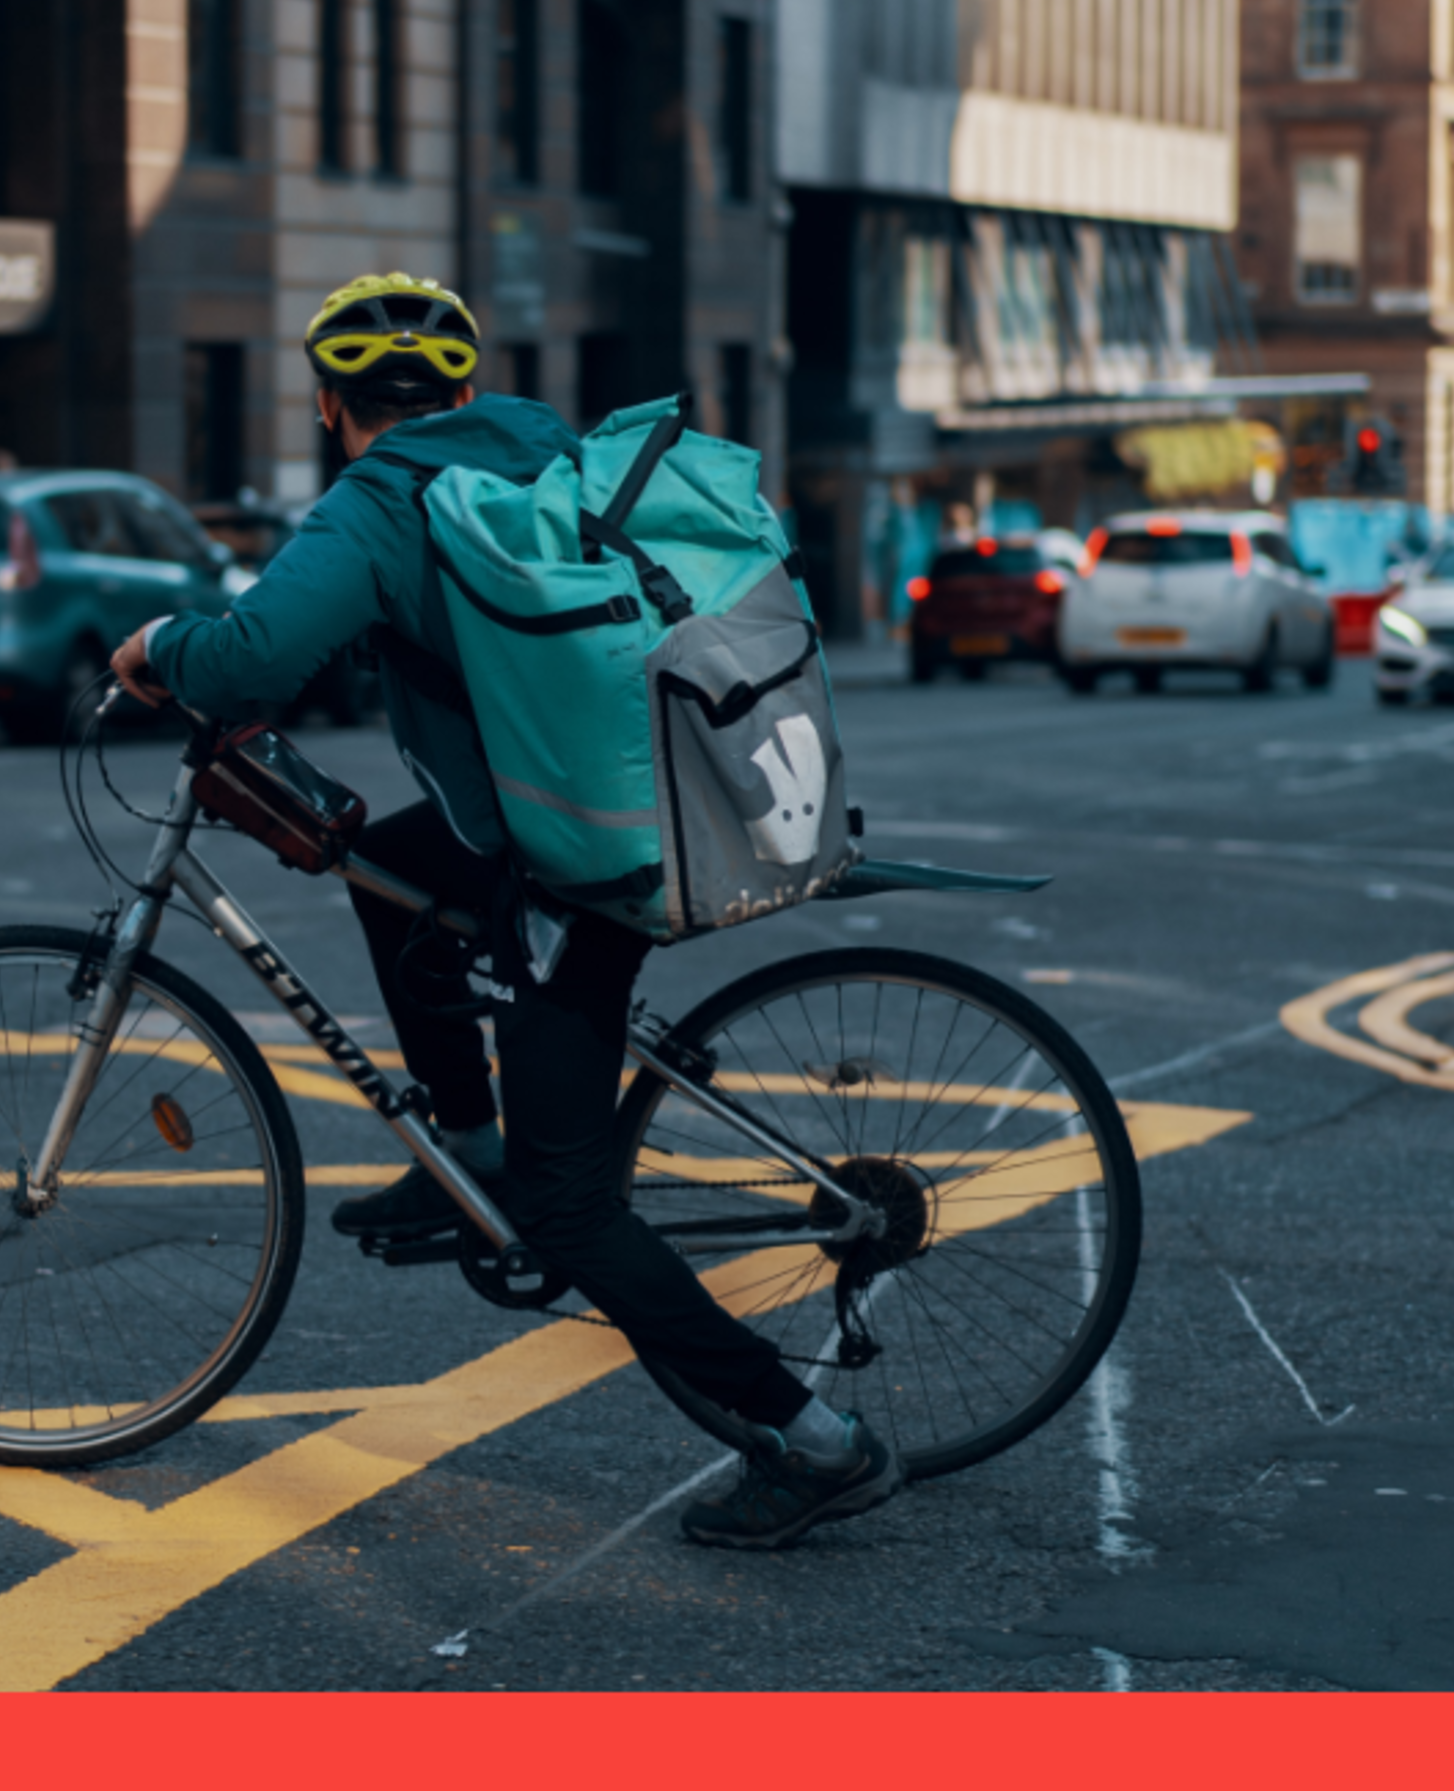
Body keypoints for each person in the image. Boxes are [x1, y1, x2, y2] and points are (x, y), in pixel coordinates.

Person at [110, 272, 899, 1549]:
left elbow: (253, 657)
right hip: (593, 813)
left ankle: (814, 1443)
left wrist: (157, 646)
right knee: (383, 872)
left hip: (570, 867)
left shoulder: (379, 499)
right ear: (466, 389)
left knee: (569, 1204)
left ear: (327, 403)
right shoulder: (540, 447)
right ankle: (462, 1147)